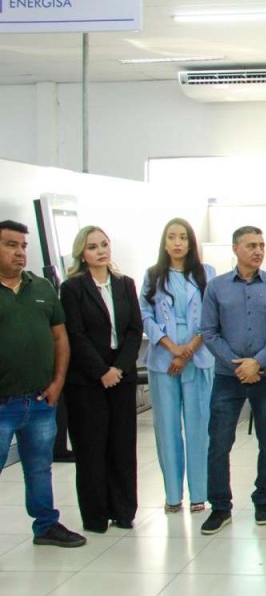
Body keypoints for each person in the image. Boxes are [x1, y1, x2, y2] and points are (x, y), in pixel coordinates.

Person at [200, 226, 266, 535]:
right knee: (219, 443)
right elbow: (209, 331)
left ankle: (263, 499)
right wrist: (237, 364)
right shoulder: (216, 287)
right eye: (251, 245)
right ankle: (220, 506)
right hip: (229, 377)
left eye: (261, 245)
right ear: (235, 249)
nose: (258, 250)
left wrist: (258, 362)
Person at [0, 220, 86, 548]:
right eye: (10, 245)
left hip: (39, 400)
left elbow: (60, 338)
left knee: (39, 468)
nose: (20, 252)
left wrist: (58, 382)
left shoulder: (41, 288)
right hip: (2, 403)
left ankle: (46, 526)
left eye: (23, 246)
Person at [60, 225, 143, 533]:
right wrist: (101, 371)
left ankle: (123, 510)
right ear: (82, 253)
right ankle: (96, 516)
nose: (100, 251)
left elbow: (134, 330)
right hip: (87, 380)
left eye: (104, 244)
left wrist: (118, 368)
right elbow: (76, 334)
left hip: (121, 375)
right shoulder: (72, 288)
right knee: (91, 448)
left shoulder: (125, 284)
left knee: (122, 447)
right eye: (92, 247)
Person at [139, 218, 216, 514]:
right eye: (171, 237)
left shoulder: (206, 273)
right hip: (163, 359)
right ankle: (173, 495)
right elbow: (145, 315)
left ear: (191, 242)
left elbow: (212, 316)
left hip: (198, 357)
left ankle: (199, 494)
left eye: (183, 237)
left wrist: (187, 352)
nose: (177, 243)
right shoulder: (153, 275)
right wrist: (172, 349)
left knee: (199, 428)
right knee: (167, 429)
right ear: (164, 242)